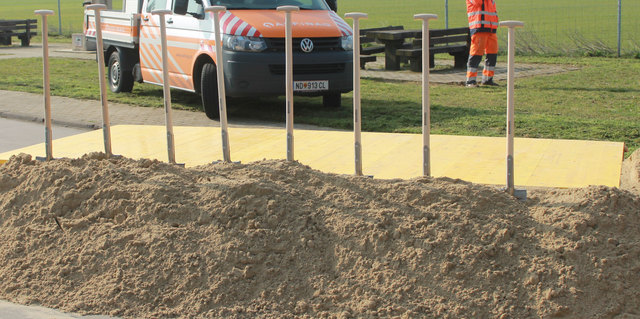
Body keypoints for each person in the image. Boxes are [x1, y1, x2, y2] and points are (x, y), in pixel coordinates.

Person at [466, 0, 499, 87]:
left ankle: (488, 79)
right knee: (476, 54)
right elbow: (478, 3)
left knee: (492, 54)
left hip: (491, 28)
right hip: (479, 28)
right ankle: (470, 80)